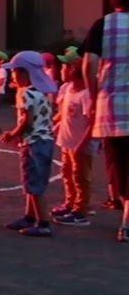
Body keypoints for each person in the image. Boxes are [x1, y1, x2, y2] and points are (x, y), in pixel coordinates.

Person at [83, 0, 129, 239]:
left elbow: (89, 64)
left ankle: (125, 218)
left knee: (119, 162)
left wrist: (93, 95)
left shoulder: (104, 25)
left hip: (112, 109)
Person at [0, 51, 58, 237]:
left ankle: (43, 222)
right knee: (33, 181)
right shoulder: (41, 92)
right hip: (44, 141)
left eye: (16, 71)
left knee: (34, 183)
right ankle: (30, 216)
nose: (13, 75)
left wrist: (12, 133)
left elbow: (28, 120)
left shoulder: (26, 93)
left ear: (25, 72)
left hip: (33, 142)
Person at [52, 50, 95, 227]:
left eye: (64, 66)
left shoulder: (86, 94)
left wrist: (82, 144)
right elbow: (65, 114)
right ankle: (70, 203)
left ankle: (81, 210)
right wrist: (57, 126)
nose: (61, 69)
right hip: (67, 141)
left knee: (81, 177)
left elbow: (92, 123)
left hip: (80, 144)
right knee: (67, 174)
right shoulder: (68, 88)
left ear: (73, 69)